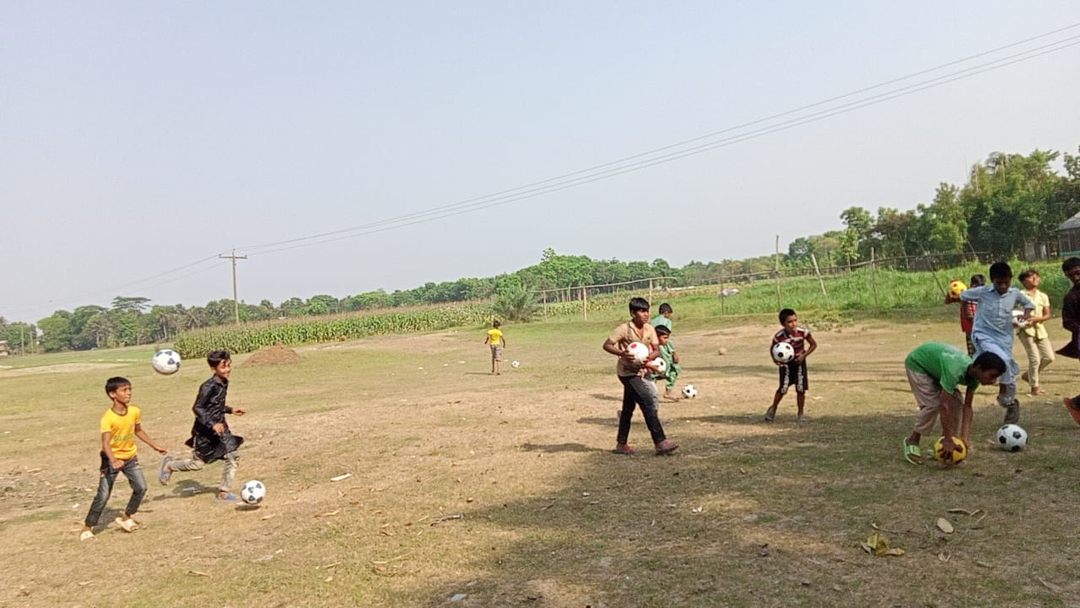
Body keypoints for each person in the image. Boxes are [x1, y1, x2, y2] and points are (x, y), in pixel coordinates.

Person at [80, 377, 168, 540]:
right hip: (110, 460)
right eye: (124, 390)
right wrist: (113, 460)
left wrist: (154, 446)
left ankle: (127, 517)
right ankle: (87, 527)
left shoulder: (134, 411)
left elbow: (138, 430)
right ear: (112, 394)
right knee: (103, 495)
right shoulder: (108, 418)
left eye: (130, 389)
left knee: (141, 488)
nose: (129, 393)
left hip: (130, 458)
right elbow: (105, 443)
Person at [158, 350, 246, 502]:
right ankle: (170, 466)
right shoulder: (208, 386)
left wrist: (230, 410)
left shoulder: (224, 382)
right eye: (223, 367)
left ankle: (224, 493)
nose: (228, 369)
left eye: (229, 365)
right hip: (205, 431)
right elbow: (198, 408)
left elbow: (216, 405)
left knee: (233, 455)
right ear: (213, 369)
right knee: (198, 464)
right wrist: (212, 424)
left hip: (221, 428)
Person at [901, 343, 1006, 465]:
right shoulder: (954, 370)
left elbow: (967, 407)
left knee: (956, 401)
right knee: (933, 405)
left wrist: (964, 438)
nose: (993, 381)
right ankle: (913, 440)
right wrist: (948, 438)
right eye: (992, 376)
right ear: (978, 368)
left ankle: (946, 443)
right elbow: (943, 405)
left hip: (935, 369)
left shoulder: (974, 378)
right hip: (918, 364)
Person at [958, 262, 1034, 425]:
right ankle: (993, 385)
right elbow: (963, 296)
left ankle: (1008, 402)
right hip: (983, 334)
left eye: (1006, 282)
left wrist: (1026, 315)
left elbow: (1029, 304)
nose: (1003, 286)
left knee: (1006, 366)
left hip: (1004, 338)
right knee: (1003, 361)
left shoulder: (1015, 293)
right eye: (999, 283)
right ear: (993, 281)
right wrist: (962, 309)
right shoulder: (983, 292)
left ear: (1011, 279)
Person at [602, 297, 678, 455]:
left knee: (628, 409)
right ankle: (660, 442)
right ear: (632, 313)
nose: (646, 314)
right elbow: (607, 345)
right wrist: (622, 353)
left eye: (647, 311)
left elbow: (656, 350)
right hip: (627, 373)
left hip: (640, 371)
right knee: (647, 401)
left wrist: (649, 357)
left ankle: (621, 444)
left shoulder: (650, 329)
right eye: (642, 311)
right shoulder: (624, 329)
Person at [764, 308, 817, 424]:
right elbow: (773, 349)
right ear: (783, 324)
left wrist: (804, 355)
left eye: (795, 320)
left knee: (801, 389)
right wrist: (775, 360)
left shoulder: (803, 333)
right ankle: (773, 409)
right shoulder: (779, 337)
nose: (793, 324)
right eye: (789, 322)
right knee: (783, 389)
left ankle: (800, 414)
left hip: (799, 364)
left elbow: (813, 344)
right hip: (786, 366)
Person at [1017, 269, 1054, 396]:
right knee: (1034, 359)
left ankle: (1028, 375)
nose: (1035, 279)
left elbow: (1047, 314)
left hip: (1040, 329)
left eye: (1037, 276)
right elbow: (1014, 312)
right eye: (1031, 277)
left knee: (1049, 357)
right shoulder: (1020, 295)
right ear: (1024, 281)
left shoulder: (1042, 296)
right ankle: (1035, 387)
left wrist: (1037, 319)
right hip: (1026, 330)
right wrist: (1022, 319)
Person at [1059, 258, 1080, 425]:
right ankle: (1076, 403)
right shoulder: (1071, 297)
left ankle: (1077, 403)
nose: (1076, 278)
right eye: (1071, 276)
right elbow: (1067, 322)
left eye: (1078, 273)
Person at [947, 274, 985, 356]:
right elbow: (948, 300)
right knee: (972, 353)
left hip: (980, 328)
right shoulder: (966, 294)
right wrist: (952, 289)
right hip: (970, 329)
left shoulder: (984, 295)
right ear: (971, 285)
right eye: (976, 286)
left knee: (982, 351)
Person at [651, 324, 682, 401]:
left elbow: (673, 352)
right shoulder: (653, 346)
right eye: (664, 338)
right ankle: (649, 394)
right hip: (655, 369)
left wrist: (675, 355)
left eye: (667, 338)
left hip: (667, 368)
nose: (667, 340)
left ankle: (667, 393)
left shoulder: (668, 344)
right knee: (651, 381)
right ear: (657, 337)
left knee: (674, 372)